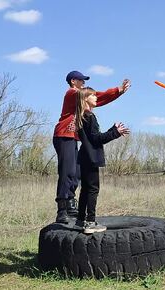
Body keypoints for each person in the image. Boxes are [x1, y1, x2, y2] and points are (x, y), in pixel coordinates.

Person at [53, 70, 130, 223]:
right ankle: (62, 209)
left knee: (76, 173)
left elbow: (97, 99)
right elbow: (97, 96)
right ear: (73, 81)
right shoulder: (71, 93)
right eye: (81, 81)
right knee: (67, 171)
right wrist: (117, 90)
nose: (84, 84)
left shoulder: (82, 100)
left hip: (72, 137)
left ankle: (70, 205)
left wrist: (118, 93)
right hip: (63, 135)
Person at [73, 87, 130, 234]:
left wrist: (112, 129)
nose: (96, 97)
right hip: (92, 158)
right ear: (85, 99)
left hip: (84, 157)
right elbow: (97, 139)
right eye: (93, 95)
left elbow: (93, 136)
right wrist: (116, 133)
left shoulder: (81, 117)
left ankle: (80, 221)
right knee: (93, 190)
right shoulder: (90, 117)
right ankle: (90, 222)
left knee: (85, 189)